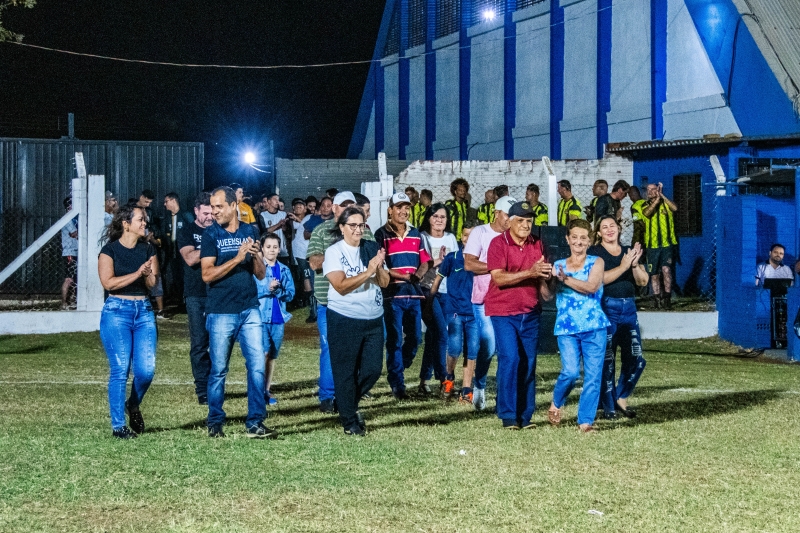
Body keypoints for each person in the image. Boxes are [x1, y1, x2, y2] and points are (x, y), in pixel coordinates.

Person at [201, 186, 275, 439]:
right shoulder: (211, 234)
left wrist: (254, 257)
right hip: (221, 311)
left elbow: (261, 274)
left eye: (219, 206)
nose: (214, 211)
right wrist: (237, 257)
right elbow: (207, 274)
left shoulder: (250, 231)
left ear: (234, 206)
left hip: (249, 308)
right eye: (212, 207)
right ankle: (215, 421)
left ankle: (255, 421)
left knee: (257, 367)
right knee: (219, 369)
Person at [485, 201, 553, 429]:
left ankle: (525, 416)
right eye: (521, 220)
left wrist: (546, 281)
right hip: (503, 311)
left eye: (529, 221)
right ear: (510, 222)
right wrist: (530, 272)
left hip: (530, 311)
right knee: (511, 358)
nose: (526, 225)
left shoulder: (537, 243)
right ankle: (508, 414)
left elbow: (541, 277)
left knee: (529, 362)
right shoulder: (498, 243)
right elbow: (498, 278)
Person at [323, 206, 390, 435]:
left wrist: (378, 267)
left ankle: (345, 403)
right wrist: (368, 271)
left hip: (373, 319)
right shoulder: (334, 252)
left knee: (373, 370)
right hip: (344, 319)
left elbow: (384, 282)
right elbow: (341, 286)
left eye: (361, 225)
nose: (358, 230)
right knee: (346, 372)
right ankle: (349, 422)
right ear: (342, 227)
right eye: (352, 225)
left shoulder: (370, 247)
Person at [307, 192, 376, 413]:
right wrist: (341, 252)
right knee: (330, 349)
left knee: (360, 351)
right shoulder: (321, 231)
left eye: (351, 205)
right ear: (334, 208)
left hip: (360, 302)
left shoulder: (365, 231)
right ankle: (328, 396)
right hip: (329, 302)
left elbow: (373, 259)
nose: (347, 208)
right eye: (343, 205)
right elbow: (314, 262)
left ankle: (351, 392)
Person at [98, 204, 159, 439]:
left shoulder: (148, 249)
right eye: (140, 219)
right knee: (120, 369)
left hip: (143, 311)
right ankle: (118, 426)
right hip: (117, 311)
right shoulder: (109, 251)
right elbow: (108, 283)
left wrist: (148, 274)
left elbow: (152, 284)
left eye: (145, 220)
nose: (145, 223)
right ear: (126, 224)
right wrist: (137, 273)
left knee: (146, 371)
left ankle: (132, 404)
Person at [546, 219, 609, 434]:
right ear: (567, 239)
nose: (579, 242)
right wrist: (547, 278)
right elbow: (547, 295)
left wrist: (565, 279)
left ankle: (585, 421)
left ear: (589, 241)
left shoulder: (597, 262)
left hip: (594, 326)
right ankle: (557, 402)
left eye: (583, 238)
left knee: (593, 376)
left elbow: (591, 287)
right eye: (574, 237)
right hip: (567, 327)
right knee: (571, 372)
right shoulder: (558, 265)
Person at [588, 215, 648, 420]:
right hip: (607, 308)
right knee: (608, 359)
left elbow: (642, 281)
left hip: (629, 308)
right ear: (598, 232)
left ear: (619, 228)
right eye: (604, 227)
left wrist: (634, 265)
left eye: (612, 225)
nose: (609, 229)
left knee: (637, 358)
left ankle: (621, 396)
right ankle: (608, 406)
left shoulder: (629, 251)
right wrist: (623, 266)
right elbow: (599, 279)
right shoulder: (595, 253)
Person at [375, 192, 432, 399]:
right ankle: (397, 384)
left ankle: (399, 366)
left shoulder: (416, 233)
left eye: (406, 207)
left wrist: (418, 274)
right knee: (394, 339)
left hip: (413, 294)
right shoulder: (381, 234)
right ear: (390, 210)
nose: (403, 211)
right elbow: (380, 266)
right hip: (393, 294)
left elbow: (425, 261)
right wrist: (405, 276)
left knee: (415, 338)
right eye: (399, 207)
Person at [463, 195, 516, 410]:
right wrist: (497, 267)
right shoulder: (480, 232)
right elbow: (469, 264)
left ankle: (504, 395)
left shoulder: (514, 236)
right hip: (483, 299)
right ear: (496, 213)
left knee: (507, 349)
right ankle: (480, 384)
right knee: (489, 345)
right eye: (507, 215)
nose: (510, 220)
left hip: (507, 299)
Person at [432, 221, 478, 403]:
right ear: (461, 236)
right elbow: (438, 279)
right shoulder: (452, 258)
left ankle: (466, 389)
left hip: (474, 313)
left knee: (472, 351)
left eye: (473, 236)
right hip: (455, 312)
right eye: (466, 235)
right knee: (455, 347)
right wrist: (430, 299)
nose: (469, 239)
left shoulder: (481, 260)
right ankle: (449, 377)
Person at [418, 203, 459, 396]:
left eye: (442, 217)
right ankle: (444, 379)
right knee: (442, 333)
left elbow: (456, 265)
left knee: (433, 336)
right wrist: (440, 261)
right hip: (427, 291)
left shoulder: (450, 238)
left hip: (447, 292)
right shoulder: (422, 238)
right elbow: (421, 265)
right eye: (435, 216)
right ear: (428, 218)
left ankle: (423, 381)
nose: (439, 220)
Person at [177, 192, 214, 405]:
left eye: (212, 213)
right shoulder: (187, 231)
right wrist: (211, 244)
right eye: (205, 213)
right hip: (196, 294)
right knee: (199, 343)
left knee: (219, 343)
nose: (210, 217)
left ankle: (215, 386)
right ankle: (202, 389)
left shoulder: (219, 230)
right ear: (196, 211)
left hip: (217, 292)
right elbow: (190, 258)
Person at [255, 232, 295, 407]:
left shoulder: (284, 270)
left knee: (271, 355)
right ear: (262, 249)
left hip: (278, 319)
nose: (272, 250)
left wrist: (278, 291)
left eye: (275, 247)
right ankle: (258, 390)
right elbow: (252, 291)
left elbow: (290, 294)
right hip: (260, 317)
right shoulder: (257, 268)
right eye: (268, 247)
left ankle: (266, 390)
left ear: (280, 249)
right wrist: (267, 288)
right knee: (263, 353)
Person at [643, 182, 678, 309]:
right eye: (648, 189)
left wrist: (662, 196)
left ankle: (667, 299)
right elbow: (647, 213)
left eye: (653, 189)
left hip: (667, 244)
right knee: (654, 274)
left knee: (666, 270)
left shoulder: (666, 204)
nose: (650, 192)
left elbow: (675, 208)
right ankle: (656, 300)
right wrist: (657, 200)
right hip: (652, 245)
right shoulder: (644, 205)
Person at [137, 189, 166, 319]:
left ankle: (160, 309)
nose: (148, 204)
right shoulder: (131, 210)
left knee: (155, 275)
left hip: (150, 248)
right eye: (146, 201)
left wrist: (152, 237)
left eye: (150, 202)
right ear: (141, 197)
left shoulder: (150, 213)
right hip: (138, 248)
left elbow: (154, 229)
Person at [161, 192, 194, 306]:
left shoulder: (185, 215)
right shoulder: (167, 218)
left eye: (166, 201)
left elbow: (193, 229)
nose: (165, 204)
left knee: (185, 274)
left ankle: (187, 299)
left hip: (185, 252)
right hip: (172, 252)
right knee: (176, 275)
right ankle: (179, 299)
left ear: (173, 200)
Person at [61, 196, 78, 310]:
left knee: (75, 278)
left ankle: (72, 301)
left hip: (75, 251)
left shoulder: (74, 219)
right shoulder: (67, 219)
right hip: (70, 252)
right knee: (69, 279)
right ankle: (64, 303)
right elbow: (74, 233)